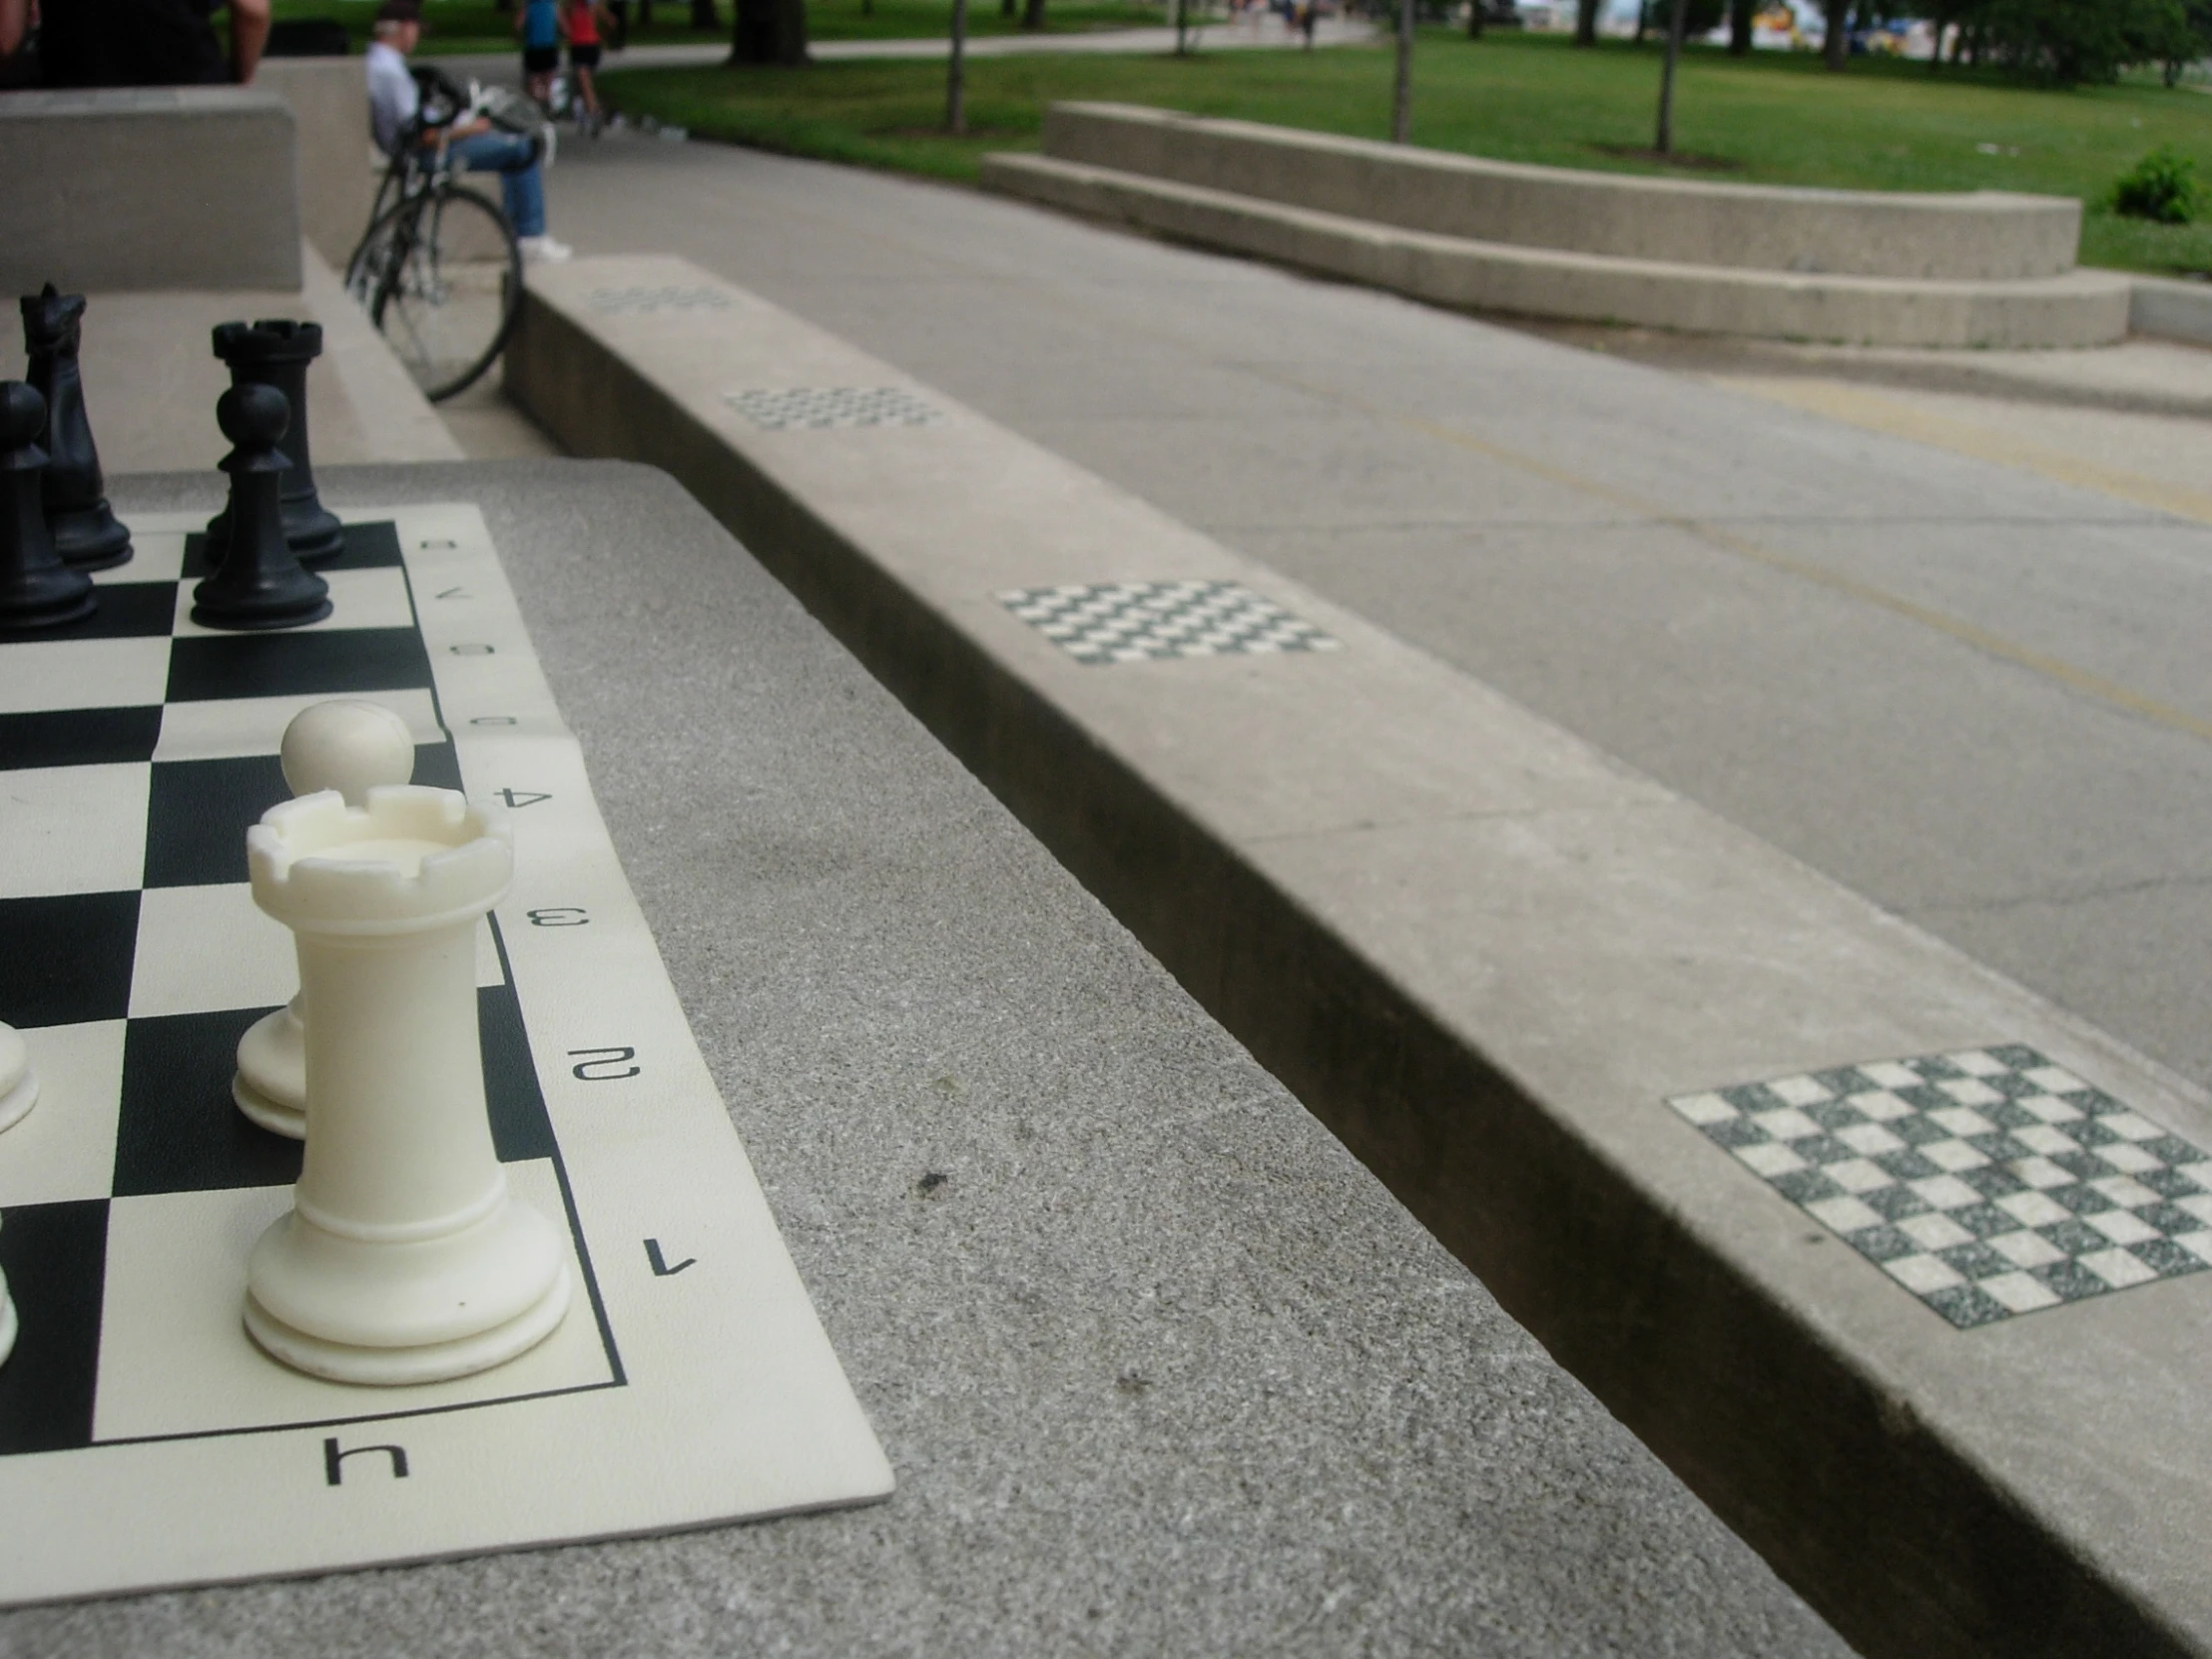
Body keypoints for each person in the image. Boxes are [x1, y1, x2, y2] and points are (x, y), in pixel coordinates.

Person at [366, 0, 571, 263]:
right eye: (416, 30)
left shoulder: (376, 63)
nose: (416, 37)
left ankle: (516, 229)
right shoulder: (390, 72)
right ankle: (531, 234)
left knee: (502, 146)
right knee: (520, 148)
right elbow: (423, 135)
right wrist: (471, 128)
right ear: (405, 29)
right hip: (424, 154)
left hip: (408, 149)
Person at [2, 0, 270, 86]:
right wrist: (240, 80)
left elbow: (6, 38)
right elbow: (252, 12)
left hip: (76, 92)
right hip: (191, 89)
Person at [562, 0, 616, 135]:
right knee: (584, 83)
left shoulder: (584, 6)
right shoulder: (573, 5)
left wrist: (601, 36)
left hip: (586, 46)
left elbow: (611, 21)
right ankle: (589, 114)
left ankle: (594, 111)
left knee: (584, 82)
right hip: (582, 46)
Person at [517, 0, 560, 107]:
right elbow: (562, 23)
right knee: (548, 81)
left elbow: (518, 24)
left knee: (533, 81)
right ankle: (546, 103)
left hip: (534, 47)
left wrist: (518, 36)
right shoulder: (552, 4)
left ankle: (534, 106)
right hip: (549, 46)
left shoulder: (529, 4)